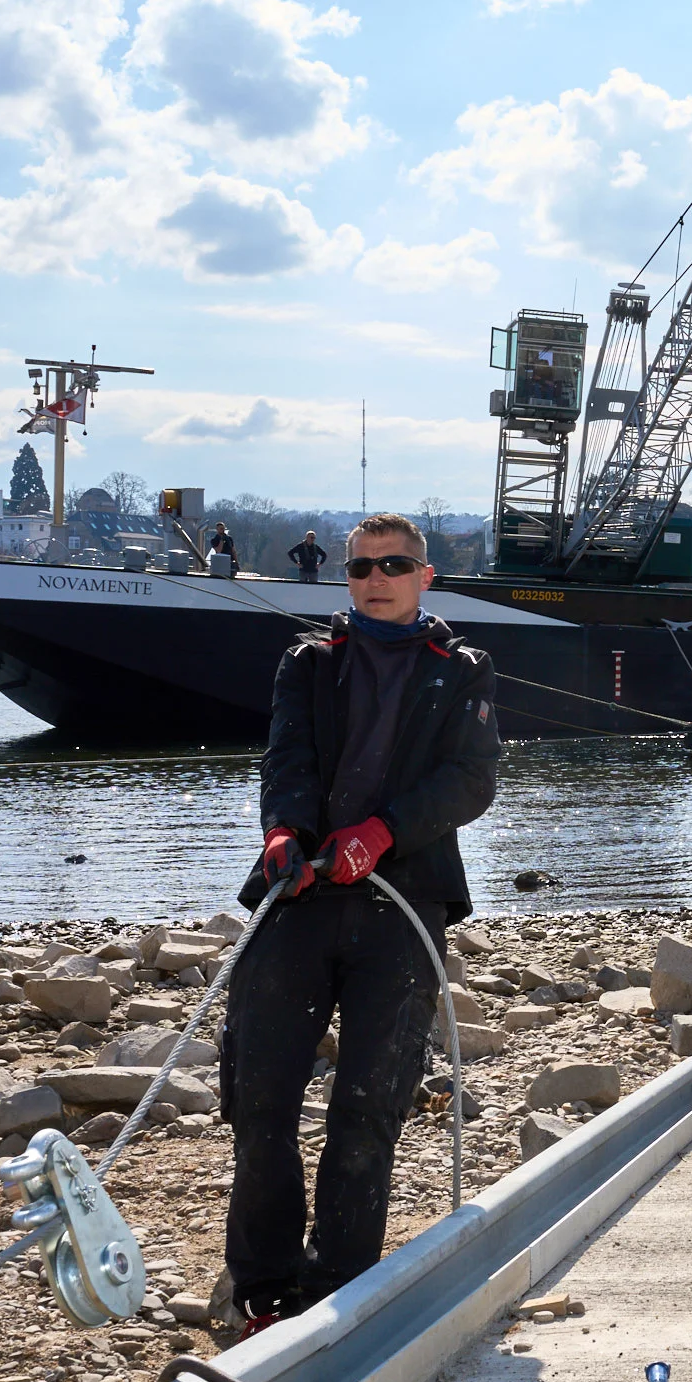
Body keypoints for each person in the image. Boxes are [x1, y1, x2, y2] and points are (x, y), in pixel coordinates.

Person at [225, 511, 499, 1334]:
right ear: (345, 578)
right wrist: (284, 830)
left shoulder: (465, 670)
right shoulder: (309, 662)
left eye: (394, 565)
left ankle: (340, 1283)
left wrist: (383, 833)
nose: (375, 579)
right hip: (301, 894)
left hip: (403, 904)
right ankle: (264, 1284)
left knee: (369, 1103)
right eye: (361, 568)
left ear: (426, 577)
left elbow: (470, 781)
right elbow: (287, 756)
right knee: (258, 1096)